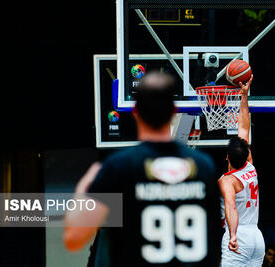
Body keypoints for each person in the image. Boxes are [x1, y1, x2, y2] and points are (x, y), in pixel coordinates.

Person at [63, 71, 220, 266]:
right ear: (173, 111)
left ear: (135, 111)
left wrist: (83, 188)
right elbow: (214, 240)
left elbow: (74, 238)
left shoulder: (119, 166)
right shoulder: (204, 166)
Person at [218, 74, 265, 267]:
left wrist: (233, 235)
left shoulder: (227, 180)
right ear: (246, 155)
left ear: (227, 157)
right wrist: (243, 96)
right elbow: (244, 128)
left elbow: (231, 206)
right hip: (257, 236)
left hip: (240, 234)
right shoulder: (250, 167)